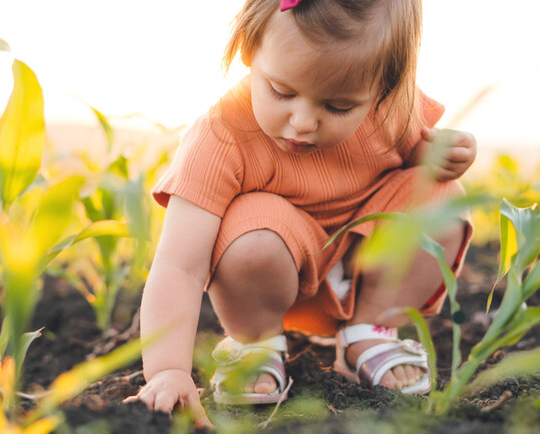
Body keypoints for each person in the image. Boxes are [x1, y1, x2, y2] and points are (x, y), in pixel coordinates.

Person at [125, 0, 476, 427]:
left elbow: (409, 152)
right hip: (271, 274)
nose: (304, 121)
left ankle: (369, 333)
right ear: (249, 51)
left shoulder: (390, 107)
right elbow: (179, 266)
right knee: (253, 232)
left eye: (339, 107)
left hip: (367, 265)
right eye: (282, 92)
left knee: (441, 197)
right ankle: (255, 343)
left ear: (385, 88)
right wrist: (168, 370)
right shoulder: (220, 137)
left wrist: (438, 154)